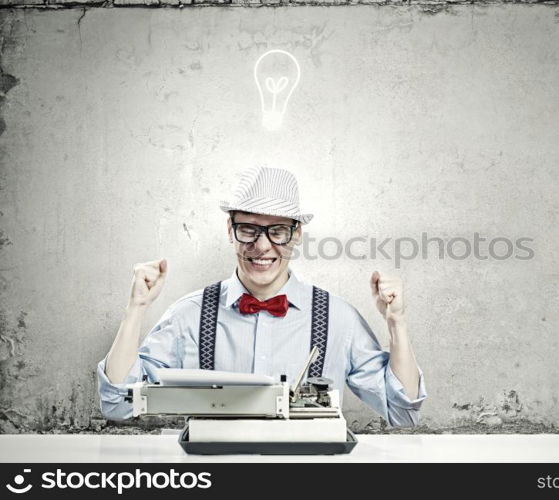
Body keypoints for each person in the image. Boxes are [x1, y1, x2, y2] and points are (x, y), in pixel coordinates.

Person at [96, 166, 426, 427]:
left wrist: (397, 323)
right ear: (230, 229)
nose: (262, 246)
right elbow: (117, 403)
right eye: (249, 229)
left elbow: (403, 411)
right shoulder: (189, 315)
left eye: (278, 230)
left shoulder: (339, 318)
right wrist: (135, 309)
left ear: (296, 234)